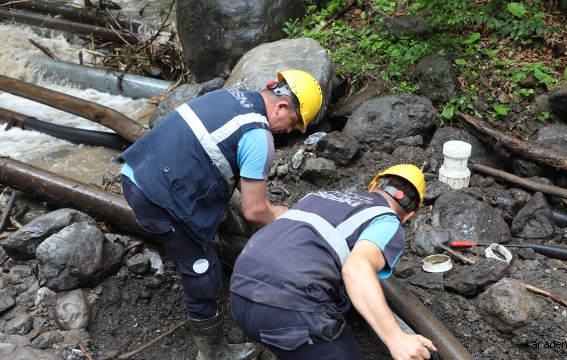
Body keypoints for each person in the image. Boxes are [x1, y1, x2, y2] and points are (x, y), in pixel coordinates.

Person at [119, 70, 323, 360]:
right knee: (204, 273)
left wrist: (272, 210)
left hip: (137, 171)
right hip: (156, 198)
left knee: (222, 209)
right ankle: (213, 353)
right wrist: (282, 221)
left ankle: (218, 226)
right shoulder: (258, 136)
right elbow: (254, 211)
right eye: (293, 123)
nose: (290, 131)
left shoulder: (231, 96)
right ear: (281, 107)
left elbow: (218, 158)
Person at [230, 164, 437, 360]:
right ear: (408, 215)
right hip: (288, 311)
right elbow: (356, 269)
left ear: (374, 186)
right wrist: (395, 338)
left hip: (239, 293)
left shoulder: (317, 196)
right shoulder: (387, 220)